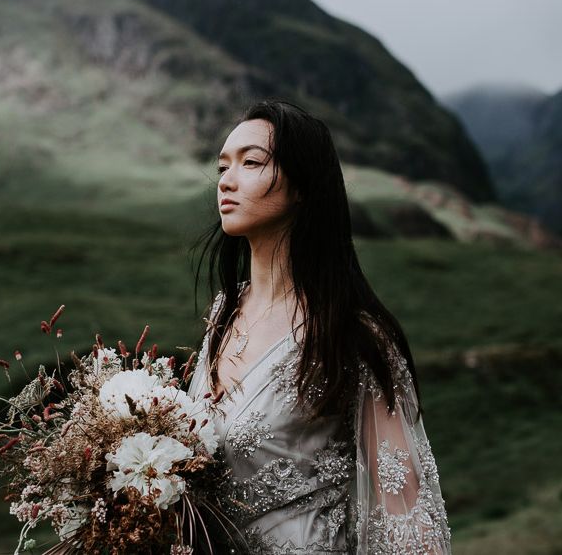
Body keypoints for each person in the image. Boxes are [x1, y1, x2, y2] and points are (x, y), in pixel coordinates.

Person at [188, 100, 452, 553]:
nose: (226, 181)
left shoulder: (352, 334)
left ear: (302, 187)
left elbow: (406, 514)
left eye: (251, 162)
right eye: (222, 167)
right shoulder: (223, 315)